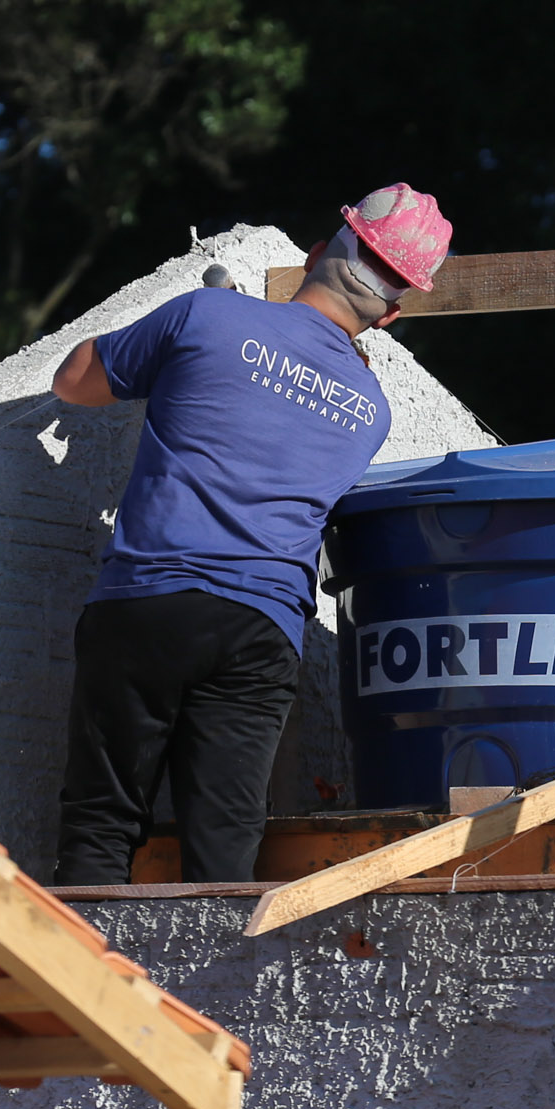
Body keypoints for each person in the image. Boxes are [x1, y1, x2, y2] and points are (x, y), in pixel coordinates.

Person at [48, 184, 453, 884]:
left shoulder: (209, 315)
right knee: (225, 851)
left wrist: (204, 330)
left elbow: (72, 382)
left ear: (318, 253)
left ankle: (80, 984)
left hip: (147, 600)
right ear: (389, 316)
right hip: (259, 630)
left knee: (102, 822)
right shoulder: (371, 411)